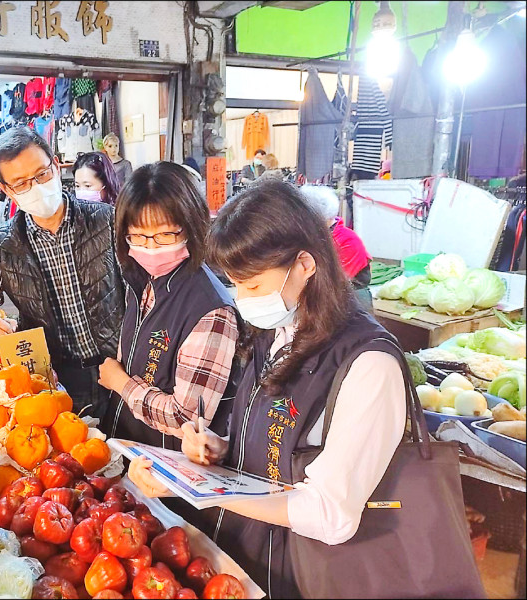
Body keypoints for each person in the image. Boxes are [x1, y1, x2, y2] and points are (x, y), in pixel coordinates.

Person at [128, 180, 408, 598]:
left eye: (253, 286)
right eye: (235, 284)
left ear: (306, 265)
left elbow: (332, 514)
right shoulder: (274, 331)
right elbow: (273, 444)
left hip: (302, 571)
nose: (241, 300)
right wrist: (220, 447)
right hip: (243, 555)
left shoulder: (369, 364)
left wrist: (202, 492)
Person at [0, 127, 124, 419]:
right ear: (6, 190)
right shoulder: (2, 245)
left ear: (57, 166)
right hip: (57, 379)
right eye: (21, 183)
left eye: (42, 174)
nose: (35, 187)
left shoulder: (107, 221)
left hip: (123, 367)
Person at [98, 162, 240, 450]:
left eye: (164, 235)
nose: (150, 247)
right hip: (131, 447)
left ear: (190, 226)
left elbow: (187, 418)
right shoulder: (142, 279)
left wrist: (121, 383)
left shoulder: (211, 310)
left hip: (170, 467)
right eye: (137, 236)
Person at [300, 185, 373, 309]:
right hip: (326, 295)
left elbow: (338, 280)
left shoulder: (348, 240)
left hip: (352, 298)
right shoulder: (314, 237)